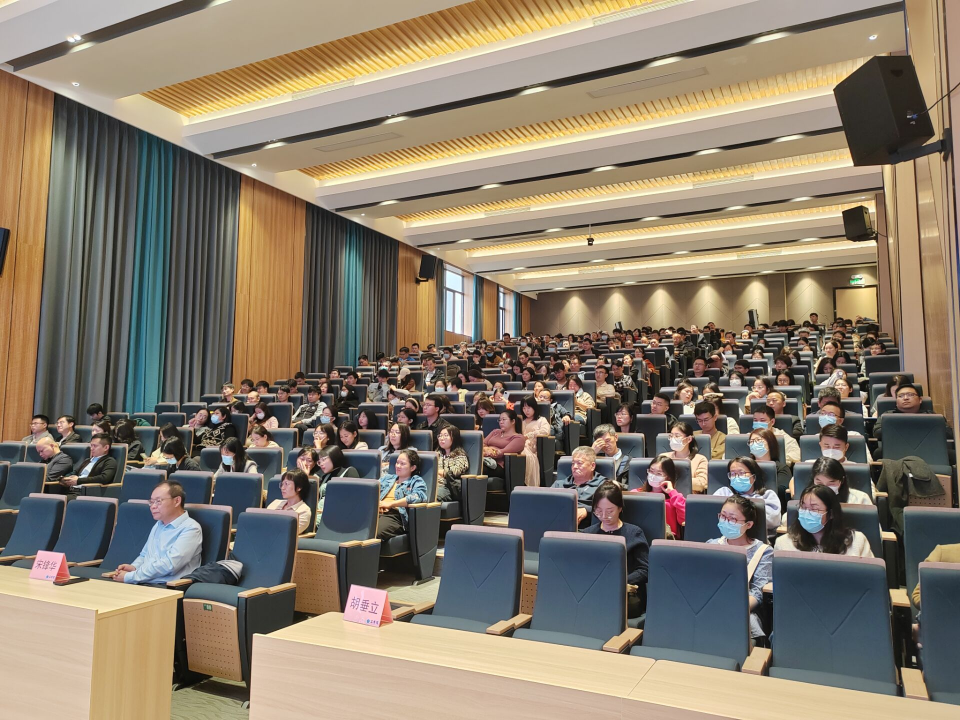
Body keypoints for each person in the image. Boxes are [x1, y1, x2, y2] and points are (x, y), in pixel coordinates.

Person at [707, 495, 773, 640]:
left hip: (743, 608)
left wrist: (734, 609)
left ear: (748, 524)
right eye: (723, 516)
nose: (726, 521)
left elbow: (758, 591)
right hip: (709, 605)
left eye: (732, 519)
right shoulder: (711, 545)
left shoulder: (763, 551)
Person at [110, 480, 202, 585]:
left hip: (167, 586)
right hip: (145, 581)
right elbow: (145, 555)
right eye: (151, 502)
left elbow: (170, 565)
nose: (153, 506)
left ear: (177, 501)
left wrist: (131, 576)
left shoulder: (191, 529)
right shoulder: (159, 524)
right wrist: (134, 567)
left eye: (158, 501)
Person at [583, 481, 649, 617]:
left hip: (625, 592)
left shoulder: (634, 533)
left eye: (610, 511)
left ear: (620, 508)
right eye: (598, 511)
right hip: (596, 590)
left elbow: (645, 570)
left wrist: (621, 581)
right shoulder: (587, 534)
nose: (604, 516)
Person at [775, 484, 873, 556]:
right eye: (803, 508)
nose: (807, 513)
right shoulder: (783, 543)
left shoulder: (857, 541)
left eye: (814, 509)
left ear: (831, 514)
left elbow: (870, 576)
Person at [714, 456, 781, 532]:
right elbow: (710, 515)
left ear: (754, 476)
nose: (736, 477)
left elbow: (773, 521)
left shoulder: (767, 495)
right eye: (732, 474)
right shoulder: (723, 492)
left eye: (741, 473)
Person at [376, 449, 428, 540]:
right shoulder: (388, 478)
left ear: (412, 468)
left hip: (395, 516)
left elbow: (419, 496)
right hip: (377, 512)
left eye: (402, 464)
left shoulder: (415, 481)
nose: (398, 466)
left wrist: (391, 504)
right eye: (397, 462)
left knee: (374, 532)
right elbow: (372, 490)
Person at [629, 457, 686, 536]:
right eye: (651, 471)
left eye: (659, 473)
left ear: (668, 477)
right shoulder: (635, 494)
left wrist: (672, 492)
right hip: (639, 536)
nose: (653, 476)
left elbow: (684, 520)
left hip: (666, 538)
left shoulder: (674, 498)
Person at [551, 446, 606, 525]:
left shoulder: (603, 485)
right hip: (558, 524)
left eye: (579, 463)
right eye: (573, 463)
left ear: (592, 466)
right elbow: (547, 505)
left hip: (589, 528)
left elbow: (609, 508)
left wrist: (587, 510)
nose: (575, 467)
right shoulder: (559, 485)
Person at [659, 421, 707, 493]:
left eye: (677, 436)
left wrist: (673, 481)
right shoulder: (663, 457)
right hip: (666, 496)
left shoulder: (700, 459)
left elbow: (701, 484)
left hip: (689, 497)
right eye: (671, 436)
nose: (673, 439)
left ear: (689, 439)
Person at [747, 427, 791, 500]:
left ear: (770, 444)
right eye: (751, 441)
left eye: (758, 440)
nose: (754, 444)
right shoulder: (746, 466)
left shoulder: (781, 468)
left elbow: (780, 490)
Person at [483, 410, 525, 479]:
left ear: (513, 421)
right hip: (485, 460)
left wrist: (488, 451)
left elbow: (501, 452)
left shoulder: (518, 438)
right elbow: (482, 444)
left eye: (504, 419)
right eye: (499, 420)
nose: (501, 422)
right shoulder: (495, 432)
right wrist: (486, 450)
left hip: (497, 466)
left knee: (478, 468)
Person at [316, 445, 361, 511]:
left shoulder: (349, 471)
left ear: (334, 457)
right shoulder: (325, 477)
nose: (321, 464)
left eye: (323, 459)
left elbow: (354, 497)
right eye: (319, 462)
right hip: (319, 511)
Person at [267, 469, 312, 534]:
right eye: (282, 484)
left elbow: (290, 533)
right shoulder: (275, 503)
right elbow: (263, 522)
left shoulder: (304, 511)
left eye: (286, 484)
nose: (282, 488)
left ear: (299, 487)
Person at [436, 426, 469, 503]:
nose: (441, 438)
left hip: (448, 487)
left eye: (445, 435)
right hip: (435, 484)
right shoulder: (437, 454)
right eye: (440, 435)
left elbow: (455, 471)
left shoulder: (460, 455)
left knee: (434, 496)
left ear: (454, 438)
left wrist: (437, 471)